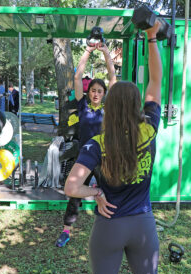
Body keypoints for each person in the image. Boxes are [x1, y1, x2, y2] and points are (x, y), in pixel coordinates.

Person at [64, 21, 162, 274]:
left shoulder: (98, 144)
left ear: (110, 103)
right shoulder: (149, 128)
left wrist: (96, 192)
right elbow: (156, 81)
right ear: (137, 105)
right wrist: (152, 38)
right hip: (143, 223)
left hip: (109, 223)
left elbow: (72, 187)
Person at [55, 40, 117, 248]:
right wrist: (88, 51)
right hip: (84, 159)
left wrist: (107, 53)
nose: (96, 93)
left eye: (100, 91)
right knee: (74, 195)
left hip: (103, 160)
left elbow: (113, 77)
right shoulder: (83, 106)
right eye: (93, 90)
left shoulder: (108, 108)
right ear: (88, 93)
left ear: (104, 94)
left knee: (110, 194)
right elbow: (77, 76)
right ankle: (66, 232)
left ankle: (113, 231)